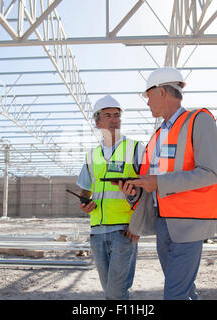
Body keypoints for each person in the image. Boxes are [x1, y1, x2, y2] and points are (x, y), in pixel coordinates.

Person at [118, 67, 217, 300]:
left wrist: (159, 183)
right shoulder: (156, 137)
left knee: (175, 294)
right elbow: (150, 183)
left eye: (148, 96)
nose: (147, 103)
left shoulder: (199, 120)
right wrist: (133, 191)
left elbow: (210, 173)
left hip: (188, 223)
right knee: (183, 290)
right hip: (162, 222)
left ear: (162, 92)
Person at [77, 94, 143, 300]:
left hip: (124, 229)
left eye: (117, 115)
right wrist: (84, 203)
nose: (114, 120)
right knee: (110, 291)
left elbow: (149, 189)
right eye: (108, 116)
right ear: (97, 122)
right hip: (97, 231)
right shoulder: (92, 156)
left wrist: (139, 225)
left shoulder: (135, 148)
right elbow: (85, 190)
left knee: (115, 292)